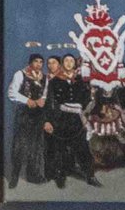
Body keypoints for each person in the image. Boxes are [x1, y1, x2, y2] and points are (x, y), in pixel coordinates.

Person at [46, 53, 98, 187]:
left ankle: (90, 176)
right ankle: (60, 177)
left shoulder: (82, 81)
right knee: (60, 149)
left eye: (71, 61)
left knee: (83, 149)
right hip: (61, 118)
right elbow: (49, 102)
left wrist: (88, 107)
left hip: (77, 119)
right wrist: (49, 121)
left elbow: (87, 100)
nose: (69, 63)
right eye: (66, 61)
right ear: (63, 63)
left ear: (75, 64)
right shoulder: (54, 81)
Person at [8, 53, 49, 186]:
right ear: (30, 62)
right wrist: (27, 100)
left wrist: (43, 100)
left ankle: (33, 175)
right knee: (20, 144)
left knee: (36, 146)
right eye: (36, 61)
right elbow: (12, 93)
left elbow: (45, 93)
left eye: (41, 62)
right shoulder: (20, 74)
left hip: (38, 114)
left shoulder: (45, 77)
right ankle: (14, 175)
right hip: (24, 113)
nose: (39, 64)